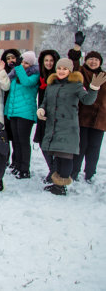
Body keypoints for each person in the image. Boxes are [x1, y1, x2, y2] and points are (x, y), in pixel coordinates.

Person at [37, 58, 105, 195]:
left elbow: (88, 100)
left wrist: (93, 88)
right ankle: (56, 183)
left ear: (70, 70)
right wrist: (41, 109)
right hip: (53, 126)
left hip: (68, 127)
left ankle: (61, 187)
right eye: (59, 68)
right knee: (57, 156)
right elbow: (45, 102)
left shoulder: (76, 85)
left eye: (65, 69)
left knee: (66, 156)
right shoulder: (52, 85)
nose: (61, 71)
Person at [68, 32, 106, 182]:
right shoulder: (81, 72)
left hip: (100, 119)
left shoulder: (104, 76)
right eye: (91, 59)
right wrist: (77, 47)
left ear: (100, 62)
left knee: (94, 148)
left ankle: (90, 173)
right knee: (80, 146)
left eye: (96, 60)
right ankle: (74, 171)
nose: (93, 62)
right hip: (83, 117)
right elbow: (74, 62)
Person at [4, 51, 39, 179]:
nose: (24, 65)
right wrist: (7, 112)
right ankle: (17, 165)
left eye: (26, 63)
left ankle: (25, 169)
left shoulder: (34, 75)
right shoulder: (14, 75)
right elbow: (11, 95)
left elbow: (26, 82)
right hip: (13, 113)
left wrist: (18, 67)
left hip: (25, 113)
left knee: (23, 142)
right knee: (16, 141)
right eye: (22, 62)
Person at [33, 49, 60, 182]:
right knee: (43, 143)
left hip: (55, 116)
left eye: (51, 60)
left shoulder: (59, 76)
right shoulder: (42, 76)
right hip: (42, 114)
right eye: (46, 61)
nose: (49, 63)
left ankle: (55, 172)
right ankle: (52, 169)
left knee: (54, 145)